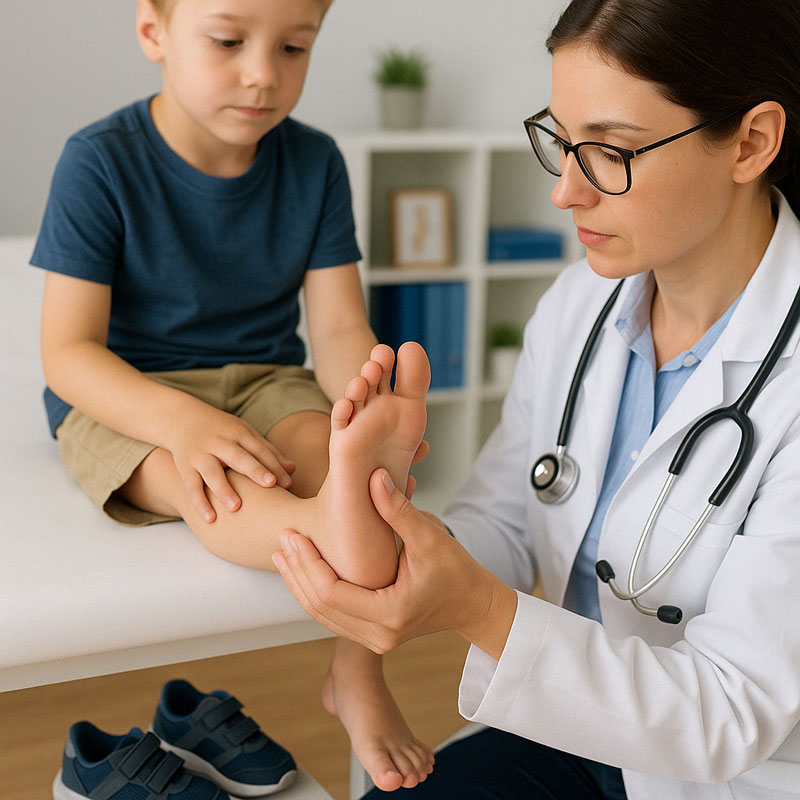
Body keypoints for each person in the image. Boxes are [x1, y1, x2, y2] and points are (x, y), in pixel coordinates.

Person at [272, 0, 800, 797]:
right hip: (572, 731)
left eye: (612, 153)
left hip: (730, 776)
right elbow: (507, 523)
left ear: (752, 141)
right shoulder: (578, 306)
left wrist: (474, 606)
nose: (566, 194)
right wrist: (392, 515)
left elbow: (728, 713)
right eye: (562, 141)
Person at [31, 0, 434, 791]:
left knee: (354, 467)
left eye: (294, 46)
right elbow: (67, 353)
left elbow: (341, 327)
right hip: (133, 396)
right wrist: (181, 422)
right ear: (154, 32)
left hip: (264, 380)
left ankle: (356, 672)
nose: (263, 74)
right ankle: (331, 525)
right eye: (228, 40)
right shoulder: (98, 160)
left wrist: (362, 398)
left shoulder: (315, 162)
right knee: (211, 482)